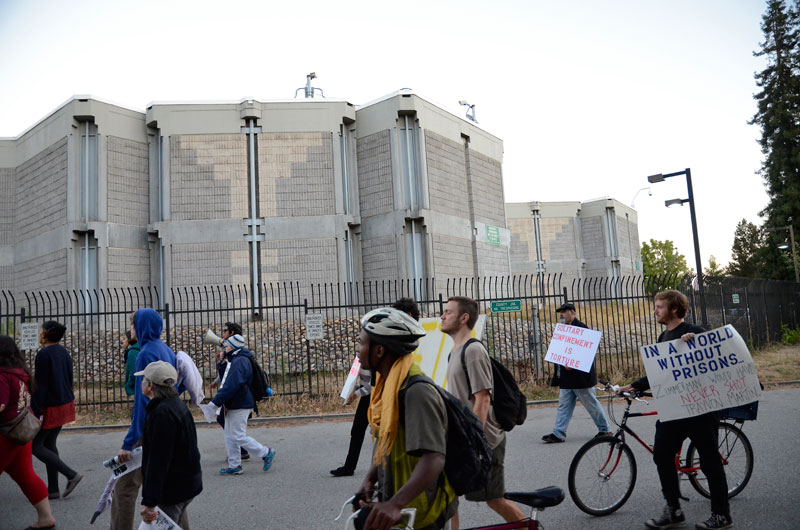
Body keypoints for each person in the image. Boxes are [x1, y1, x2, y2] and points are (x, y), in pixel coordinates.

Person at [618, 290, 731, 530]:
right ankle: (674, 510)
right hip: (675, 410)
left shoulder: (695, 332)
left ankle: (721, 515)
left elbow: (716, 356)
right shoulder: (663, 337)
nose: (656, 310)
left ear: (675, 310)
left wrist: (697, 344)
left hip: (700, 410)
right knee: (661, 454)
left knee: (710, 461)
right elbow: (661, 372)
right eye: (656, 306)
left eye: (660, 307)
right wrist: (636, 385)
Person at [356, 307, 458, 530]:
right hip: (400, 503)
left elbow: (434, 457)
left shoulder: (416, 391)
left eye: (361, 343)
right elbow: (385, 437)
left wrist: (395, 504)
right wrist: (371, 476)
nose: (358, 349)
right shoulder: (386, 386)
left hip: (421, 509)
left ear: (379, 351)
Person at [441, 296, 524, 529]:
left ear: (463, 318)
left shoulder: (473, 350)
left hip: (485, 442)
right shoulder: (455, 350)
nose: (442, 315)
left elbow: (483, 399)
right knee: (449, 497)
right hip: (462, 440)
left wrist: (475, 442)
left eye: (448, 312)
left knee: (495, 499)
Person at [331, 298, 421, 477]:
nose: (358, 349)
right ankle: (364, 468)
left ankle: (381, 470)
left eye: (361, 343)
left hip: (379, 391)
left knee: (385, 431)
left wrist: (357, 392)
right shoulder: (388, 343)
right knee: (370, 430)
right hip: (375, 391)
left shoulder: (413, 378)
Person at [110, 308, 178, 530]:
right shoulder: (165, 349)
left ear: (141, 327)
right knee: (169, 492)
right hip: (167, 421)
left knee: (125, 488)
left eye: (133, 325)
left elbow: (142, 401)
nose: (132, 330)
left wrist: (129, 442)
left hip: (148, 427)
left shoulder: (145, 353)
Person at [0, 335, 58, 530]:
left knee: (25, 475)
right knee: (25, 475)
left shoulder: (2, 376)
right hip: (21, 433)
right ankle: (46, 517)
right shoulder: (20, 373)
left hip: (5, 434)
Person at [137, 361, 202, 528]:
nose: (141, 382)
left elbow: (158, 460)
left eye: (144, 379)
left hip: (174, 488)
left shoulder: (161, 414)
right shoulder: (176, 404)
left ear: (150, 385)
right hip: (187, 482)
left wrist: (150, 503)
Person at [541, 303, 611, 443]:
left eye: (564, 312)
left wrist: (573, 364)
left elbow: (588, 351)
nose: (561, 314)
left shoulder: (581, 328)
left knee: (591, 403)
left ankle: (605, 430)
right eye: (560, 312)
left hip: (580, 377)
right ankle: (558, 433)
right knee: (564, 405)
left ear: (572, 312)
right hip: (567, 378)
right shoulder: (563, 330)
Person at [31, 321, 83, 500]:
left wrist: (36, 409)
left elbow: (41, 385)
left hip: (50, 405)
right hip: (65, 402)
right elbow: (69, 378)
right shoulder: (63, 352)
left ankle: (71, 474)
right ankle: (53, 489)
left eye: (41, 330)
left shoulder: (43, 354)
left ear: (46, 333)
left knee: (35, 446)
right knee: (49, 443)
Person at [211, 333, 275, 475]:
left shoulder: (240, 361)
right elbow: (225, 377)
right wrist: (222, 362)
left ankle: (266, 452)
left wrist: (215, 402)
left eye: (226, 346)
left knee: (238, 435)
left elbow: (231, 385)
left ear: (232, 347)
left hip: (240, 402)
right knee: (229, 434)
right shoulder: (236, 359)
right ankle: (234, 465)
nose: (224, 348)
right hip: (235, 402)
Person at [212, 322, 249, 461]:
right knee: (230, 424)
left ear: (232, 333)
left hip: (237, 396)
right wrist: (216, 382)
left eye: (225, 330)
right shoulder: (234, 351)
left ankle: (255, 452)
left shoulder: (235, 353)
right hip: (238, 395)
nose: (223, 333)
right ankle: (238, 454)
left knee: (228, 423)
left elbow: (230, 373)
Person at [122, 327, 139, 398]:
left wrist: (128, 386)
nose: (123, 341)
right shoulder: (136, 350)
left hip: (135, 389)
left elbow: (133, 372)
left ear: (129, 340)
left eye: (125, 338)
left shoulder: (132, 352)